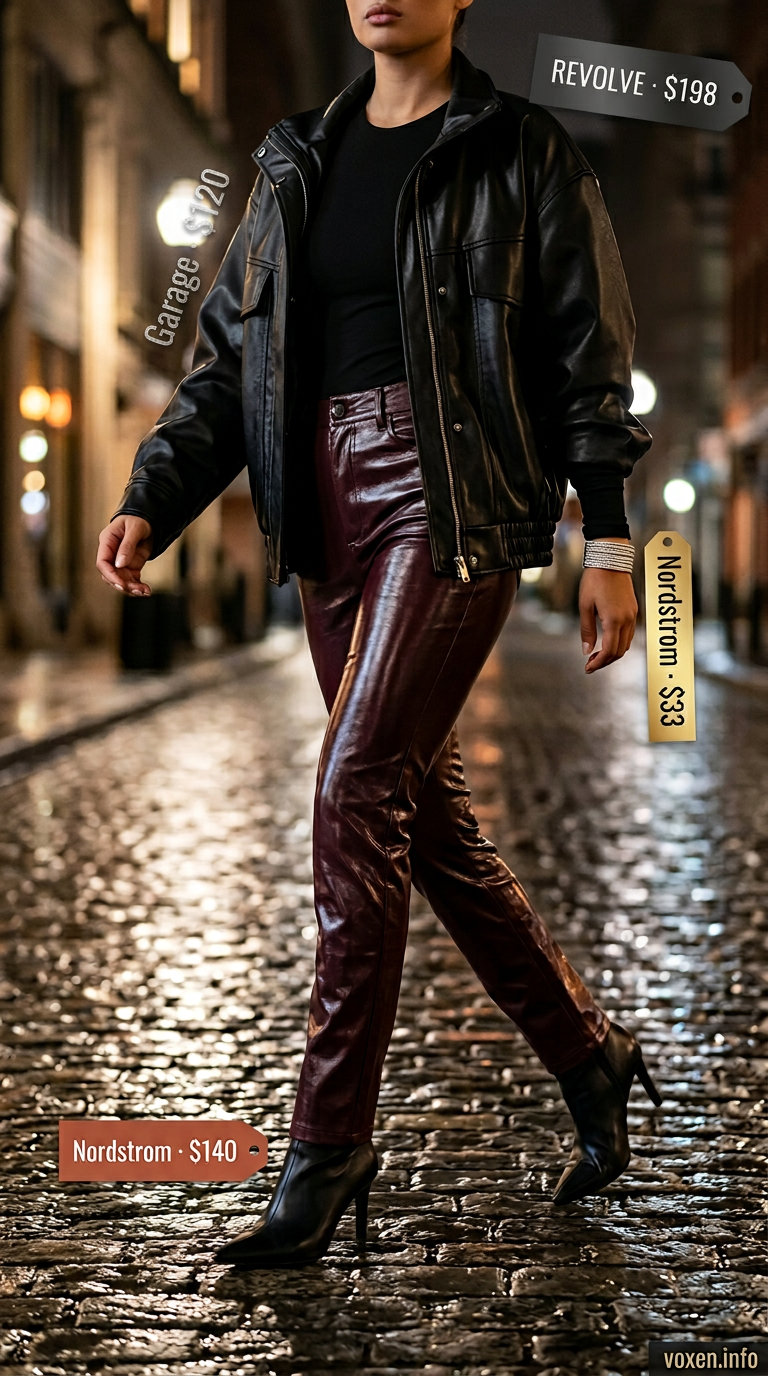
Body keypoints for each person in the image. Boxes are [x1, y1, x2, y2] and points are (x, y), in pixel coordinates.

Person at [96, 0, 661, 1268]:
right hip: (326, 513)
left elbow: (588, 345)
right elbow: (231, 351)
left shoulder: (523, 150)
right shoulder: (297, 156)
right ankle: (590, 1050)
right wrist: (154, 492)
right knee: (432, 827)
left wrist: (611, 537)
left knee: (353, 788)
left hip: (449, 500)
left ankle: (328, 1137)